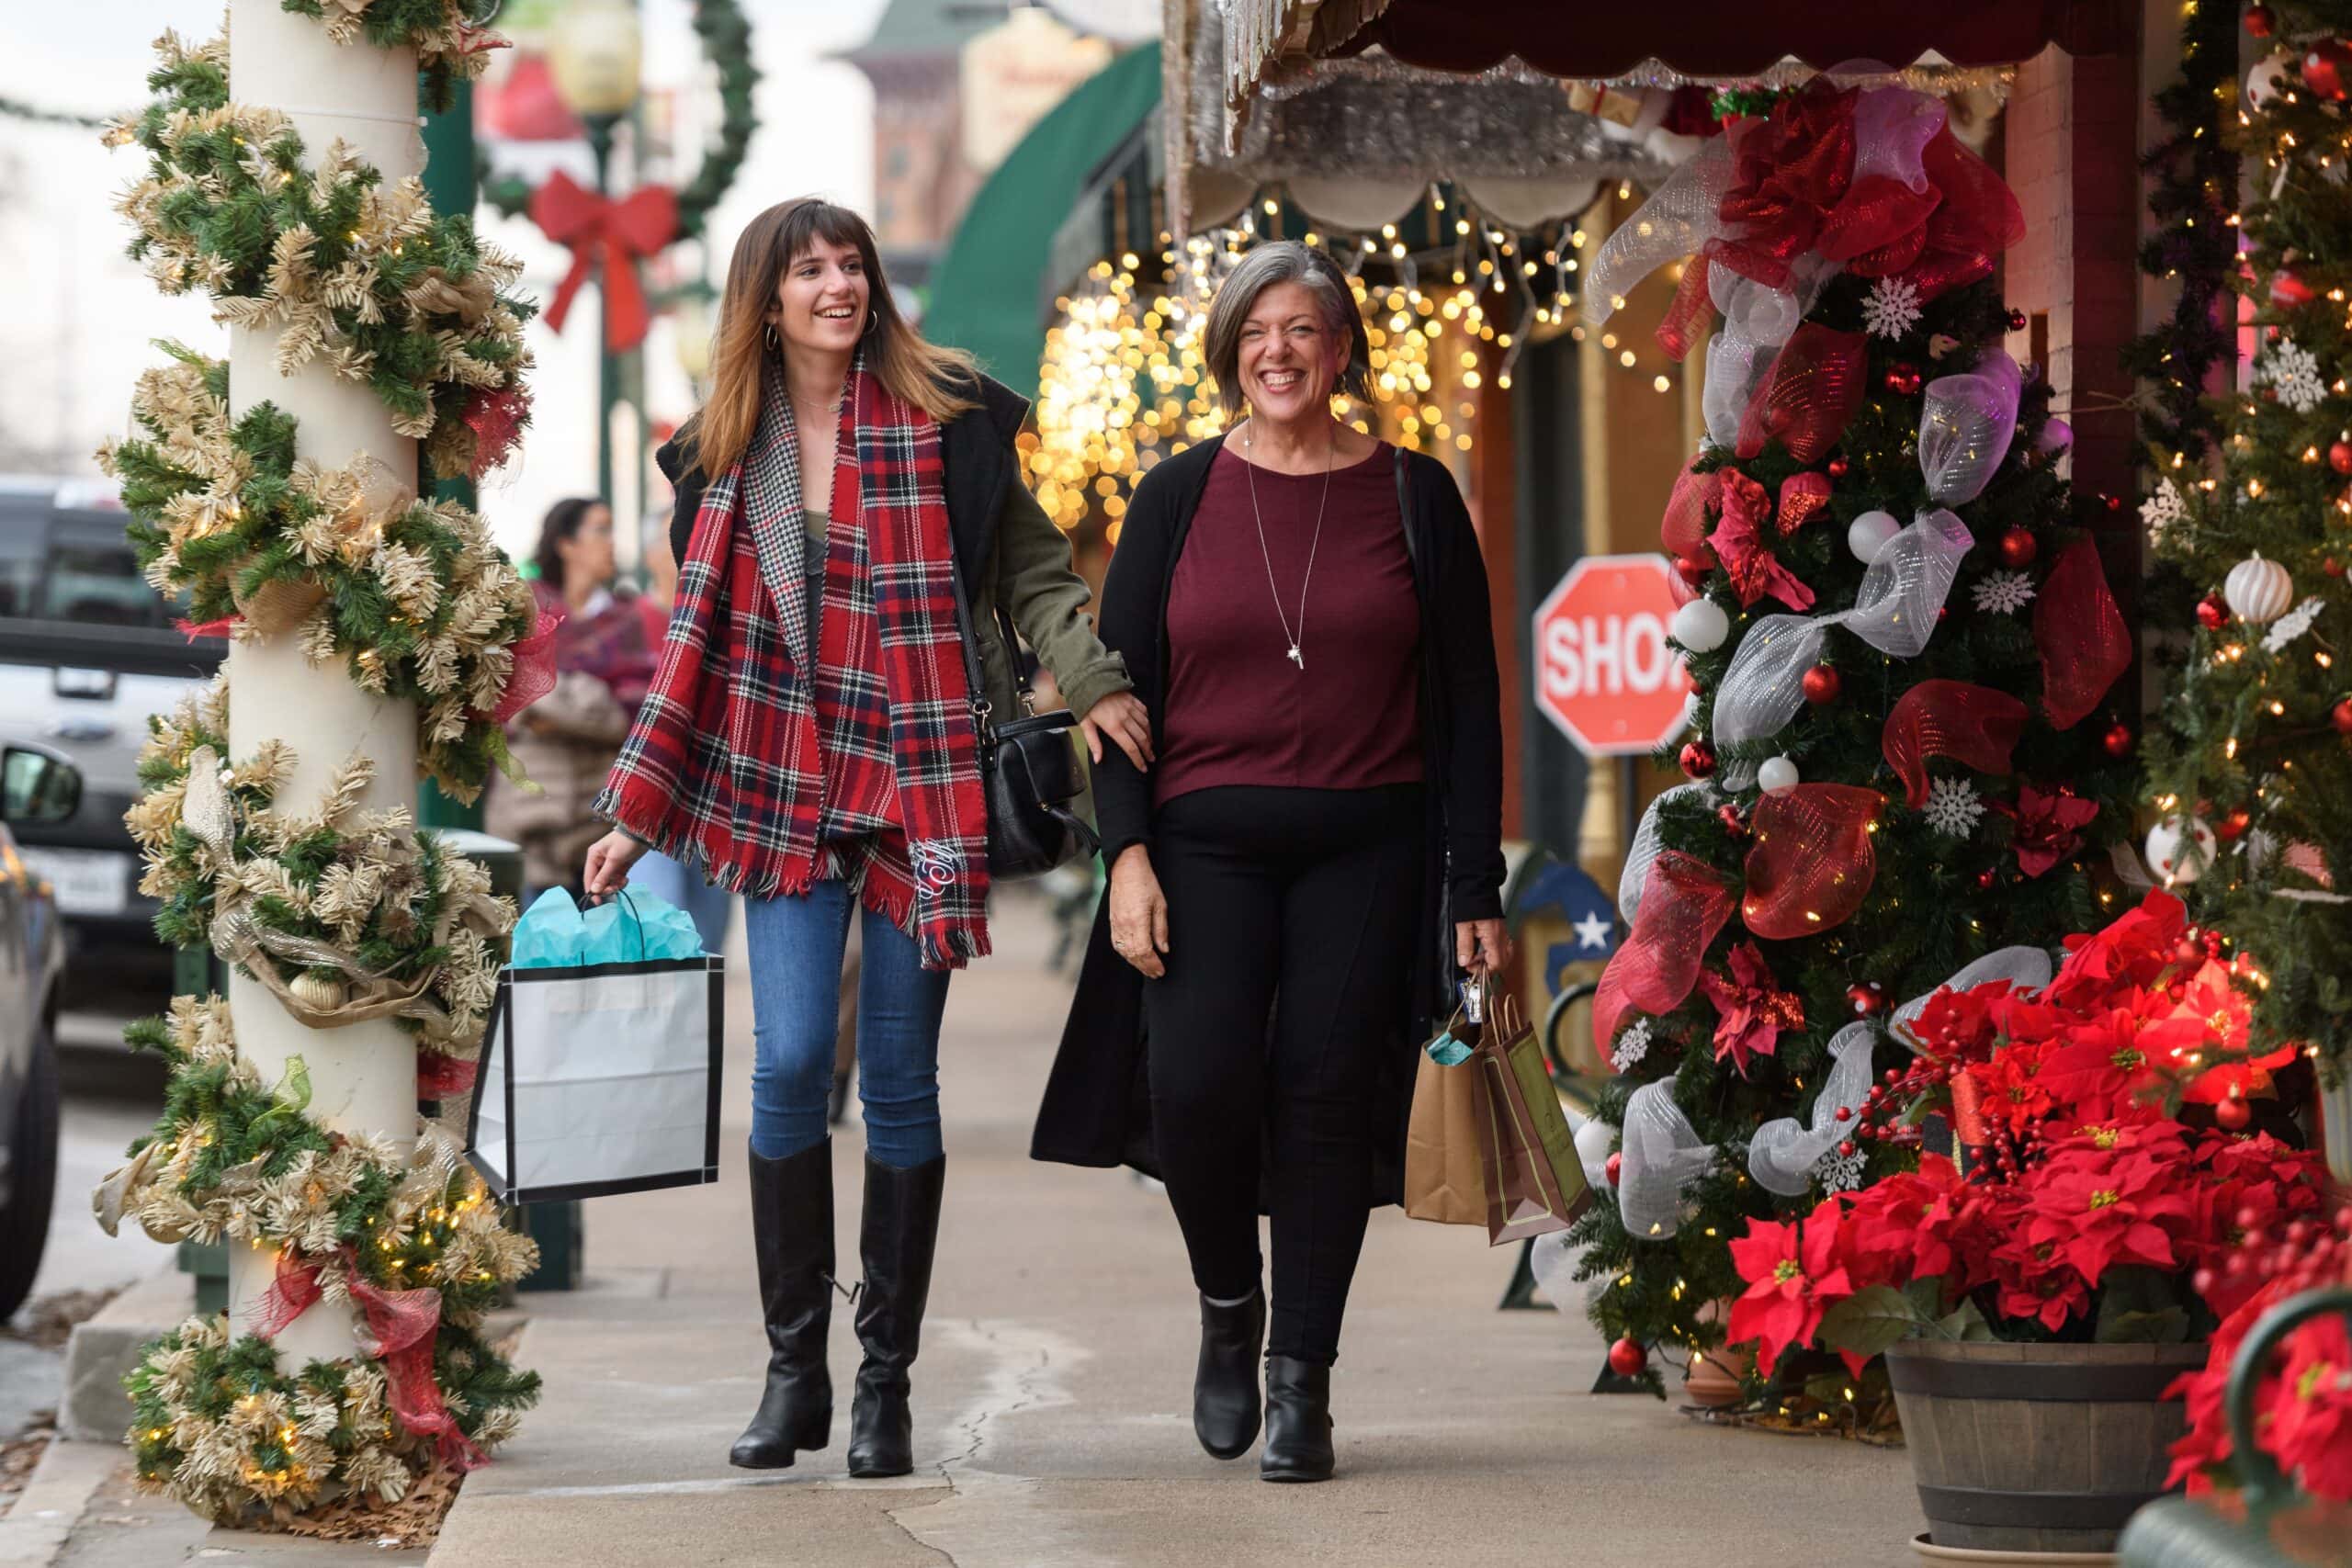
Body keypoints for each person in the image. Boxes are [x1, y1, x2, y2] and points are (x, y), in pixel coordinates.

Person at [580, 197, 1150, 1480]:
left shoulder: (953, 423)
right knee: (787, 1068)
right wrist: (634, 810)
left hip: (919, 789)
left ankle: (884, 1383)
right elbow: (695, 650)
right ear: (765, 301)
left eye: (851, 264)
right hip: (784, 795)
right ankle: (796, 1373)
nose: (838, 284)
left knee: (897, 1083)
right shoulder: (723, 451)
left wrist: (1094, 675)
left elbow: (1035, 575)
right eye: (809, 270)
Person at [1032, 241, 1510, 1483]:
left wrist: (1474, 886)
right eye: (1257, 333)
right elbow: (1115, 692)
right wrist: (1126, 853)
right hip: (1203, 841)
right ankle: (1228, 1304)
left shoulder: (1415, 492)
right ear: (1229, 352)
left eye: (1303, 330)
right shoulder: (1176, 495)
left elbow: (1468, 696)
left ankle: (1303, 1377)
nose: (1280, 352)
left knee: (1325, 1095)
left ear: (1342, 348)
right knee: (1194, 1082)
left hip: (1373, 842)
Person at [485, 498, 664, 897]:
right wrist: (582, 705)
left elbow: (631, 713)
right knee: (538, 941)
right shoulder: (526, 614)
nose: (612, 543)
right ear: (566, 543)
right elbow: (508, 694)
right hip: (532, 815)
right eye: (601, 530)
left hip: (598, 816)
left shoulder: (625, 619)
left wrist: (551, 709)